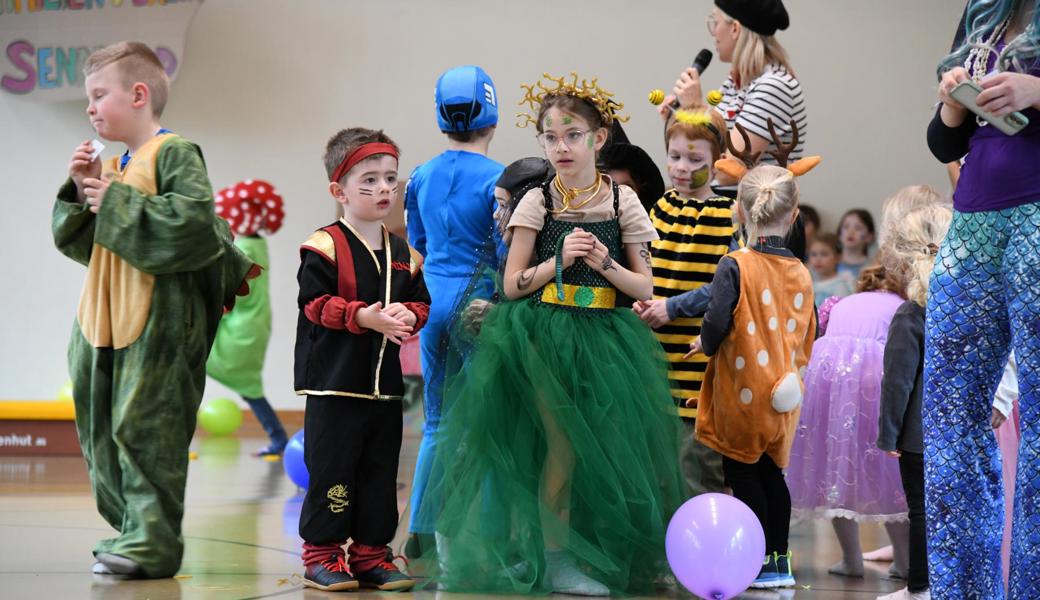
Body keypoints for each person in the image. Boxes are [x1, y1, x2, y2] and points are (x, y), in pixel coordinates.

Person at [420, 73, 683, 596]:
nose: (560, 147)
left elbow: (642, 285)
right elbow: (514, 284)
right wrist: (557, 262)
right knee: (560, 447)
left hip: (605, 339)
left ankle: (588, 549)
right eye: (550, 137)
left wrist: (603, 261)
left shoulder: (621, 202)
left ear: (598, 138)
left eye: (572, 135)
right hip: (543, 337)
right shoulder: (537, 202)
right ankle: (553, 558)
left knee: (601, 448)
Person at [53, 41, 257, 578]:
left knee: (147, 429)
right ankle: (131, 530)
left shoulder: (175, 153)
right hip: (103, 318)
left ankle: (153, 543)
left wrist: (112, 199)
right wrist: (81, 190)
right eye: (88, 99)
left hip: (157, 324)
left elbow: (192, 226)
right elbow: (88, 246)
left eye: (100, 95)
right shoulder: (117, 161)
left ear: (139, 94)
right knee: (101, 429)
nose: (91, 108)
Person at [924, 0, 1040, 596]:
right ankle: (962, 591)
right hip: (973, 220)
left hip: (1037, 214)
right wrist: (953, 101)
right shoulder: (983, 8)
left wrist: (1033, 91)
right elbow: (945, 145)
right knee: (950, 418)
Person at [294, 127, 430, 592]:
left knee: (379, 471)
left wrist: (406, 315)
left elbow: (421, 305)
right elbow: (315, 305)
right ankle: (322, 553)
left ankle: (372, 552)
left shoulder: (404, 254)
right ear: (339, 190)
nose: (383, 190)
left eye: (390, 179)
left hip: (384, 388)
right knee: (333, 469)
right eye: (368, 180)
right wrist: (364, 318)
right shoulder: (323, 245)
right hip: (335, 384)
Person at [691, 159, 818, 589]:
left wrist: (704, 345)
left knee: (742, 474)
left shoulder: (736, 264)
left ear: (740, 211)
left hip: (743, 392)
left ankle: (760, 561)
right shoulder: (801, 271)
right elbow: (808, 329)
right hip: (784, 394)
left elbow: (716, 319)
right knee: (771, 475)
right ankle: (779, 562)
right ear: (795, 216)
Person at [403, 65, 503, 558]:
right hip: (480, 307)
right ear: (492, 116)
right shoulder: (499, 179)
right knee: (488, 424)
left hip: (432, 305)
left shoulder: (421, 174)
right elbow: (508, 254)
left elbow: (418, 241)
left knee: (437, 423)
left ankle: (421, 528)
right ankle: (488, 533)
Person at [632, 106, 735, 496]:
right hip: (656, 357)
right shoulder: (660, 208)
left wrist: (672, 308)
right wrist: (643, 301)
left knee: (697, 468)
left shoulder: (727, 215)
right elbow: (646, 268)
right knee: (658, 466)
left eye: (695, 159)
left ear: (718, 161)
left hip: (698, 362)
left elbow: (726, 286)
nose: (681, 167)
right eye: (674, 156)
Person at [876, 204, 954, 600]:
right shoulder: (959, 309)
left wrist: (887, 435)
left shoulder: (910, 314)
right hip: (958, 427)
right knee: (952, 511)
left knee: (921, 511)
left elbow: (898, 382)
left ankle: (919, 588)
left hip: (918, 435)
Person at [207, 179, 289, 457]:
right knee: (249, 386)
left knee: (197, 361)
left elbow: (234, 284)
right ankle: (278, 437)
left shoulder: (247, 246)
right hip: (249, 323)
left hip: (242, 326)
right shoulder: (255, 243)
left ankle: (278, 437)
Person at [808, 232, 855, 307]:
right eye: (813, 254)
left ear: (838, 258)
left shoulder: (840, 285)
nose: (817, 259)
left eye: (824, 254)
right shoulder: (808, 281)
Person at [836, 209, 876, 279]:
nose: (850, 232)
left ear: (869, 237)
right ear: (840, 235)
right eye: (846, 227)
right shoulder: (828, 262)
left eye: (858, 228)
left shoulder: (872, 267)